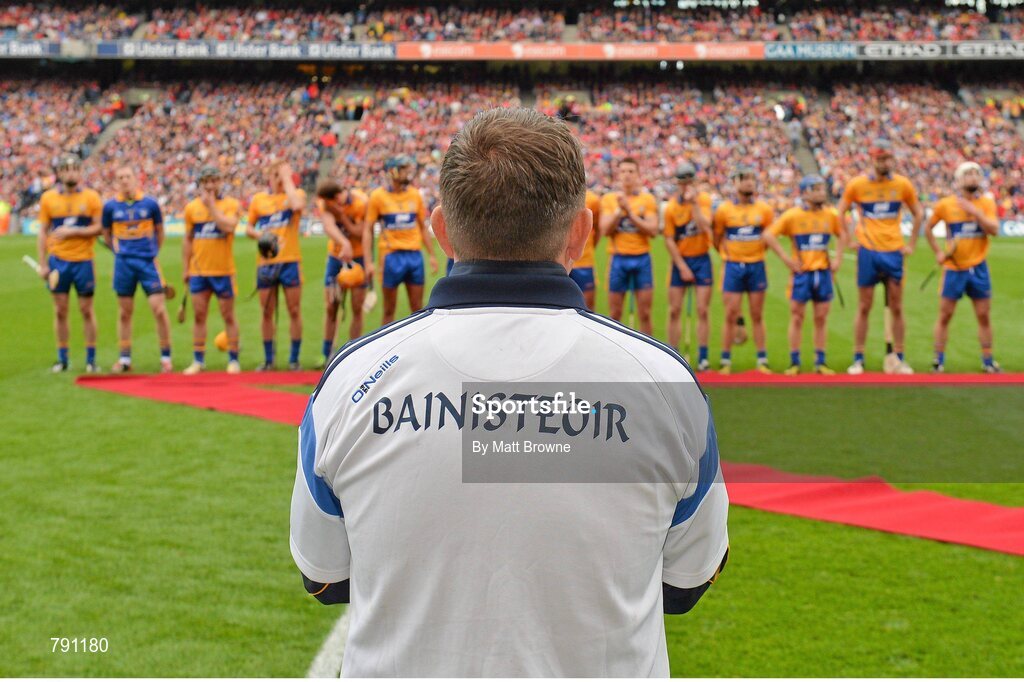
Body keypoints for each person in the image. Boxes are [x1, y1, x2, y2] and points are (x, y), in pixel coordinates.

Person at [289, 108, 728, 677]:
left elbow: (324, 576)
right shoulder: (663, 382)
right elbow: (687, 581)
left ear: (441, 229)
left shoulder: (353, 378)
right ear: (580, 233)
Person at [836, 139, 924, 375]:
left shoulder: (903, 185)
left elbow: (918, 213)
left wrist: (912, 244)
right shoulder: (857, 185)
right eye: (880, 159)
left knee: (896, 306)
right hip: (868, 251)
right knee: (864, 306)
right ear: (872, 159)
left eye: (888, 158)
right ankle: (858, 358)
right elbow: (840, 211)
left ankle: (899, 358)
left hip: (894, 251)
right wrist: (849, 240)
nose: (885, 163)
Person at [763, 174, 846, 375]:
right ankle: (795, 362)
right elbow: (768, 235)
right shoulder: (793, 216)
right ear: (805, 192)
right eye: (815, 189)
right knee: (797, 316)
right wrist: (786, 259)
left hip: (823, 273)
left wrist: (837, 259)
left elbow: (842, 234)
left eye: (821, 188)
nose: (821, 192)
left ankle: (820, 362)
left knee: (821, 317)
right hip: (802, 275)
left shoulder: (831, 215)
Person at [924, 162, 1001, 373]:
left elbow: (994, 229)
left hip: (978, 267)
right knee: (945, 315)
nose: (973, 177)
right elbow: (928, 229)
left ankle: (988, 361)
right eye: (968, 174)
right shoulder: (945, 205)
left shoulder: (986, 203)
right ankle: (938, 361)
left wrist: (975, 212)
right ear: (958, 181)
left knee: (983, 315)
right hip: (954, 268)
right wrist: (939, 253)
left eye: (976, 173)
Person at [36, 154, 103, 373]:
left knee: (86, 309)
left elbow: (99, 228)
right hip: (58, 262)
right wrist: (43, 263)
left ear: (80, 172)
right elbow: (42, 231)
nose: (71, 172)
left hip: (83, 261)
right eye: (66, 169)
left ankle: (91, 360)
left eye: (75, 168)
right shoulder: (48, 199)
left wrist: (73, 231)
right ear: (60, 173)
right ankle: (62, 359)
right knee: (60, 310)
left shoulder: (92, 197)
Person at [102, 166, 172, 373]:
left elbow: (160, 232)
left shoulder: (150, 204)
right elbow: (106, 234)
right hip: (123, 264)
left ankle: (166, 356)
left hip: (147, 263)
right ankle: (124, 359)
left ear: (136, 179)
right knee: (125, 312)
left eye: (128, 176)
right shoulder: (110, 207)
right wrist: (117, 251)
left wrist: (151, 252)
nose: (124, 181)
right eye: (120, 177)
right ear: (117, 182)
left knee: (158, 309)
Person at [712, 164, 775, 374]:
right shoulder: (724, 210)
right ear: (735, 183)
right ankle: (726, 361)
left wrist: (753, 254)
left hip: (756, 265)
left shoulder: (764, 210)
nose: (749, 182)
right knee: (730, 313)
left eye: (751, 179)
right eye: (744, 179)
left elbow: (767, 237)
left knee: (757, 314)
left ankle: (762, 360)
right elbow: (717, 239)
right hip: (733, 266)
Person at [362, 155, 439, 326]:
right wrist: (368, 261)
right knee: (389, 311)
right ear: (392, 172)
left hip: (414, 256)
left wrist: (432, 255)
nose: (407, 174)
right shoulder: (377, 197)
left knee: (418, 310)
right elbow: (367, 230)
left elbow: (422, 227)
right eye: (403, 170)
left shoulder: (415, 195)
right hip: (390, 257)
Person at [247, 160, 306, 370]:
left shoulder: (295, 195)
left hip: (289, 260)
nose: (281, 180)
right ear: (271, 176)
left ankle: (294, 359)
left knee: (294, 309)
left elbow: (297, 205)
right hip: (266, 263)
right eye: (278, 175)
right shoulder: (259, 200)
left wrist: (288, 179)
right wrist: (260, 235)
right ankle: (269, 359)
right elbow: (248, 228)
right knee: (266, 312)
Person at [182, 166, 241, 375]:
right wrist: (185, 267)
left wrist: (212, 207)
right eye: (205, 181)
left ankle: (233, 359)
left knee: (228, 315)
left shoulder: (231, 204)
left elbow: (229, 226)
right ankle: (198, 360)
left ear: (220, 181)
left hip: (223, 271)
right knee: (199, 315)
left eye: (213, 180)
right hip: (199, 271)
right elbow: (188, 240)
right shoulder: (191, 208)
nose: (209, 185)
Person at [599, 157, 659, 334]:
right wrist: (619, 211)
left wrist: (630, 213)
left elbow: (653, 230)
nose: (627, 175)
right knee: (615, 313)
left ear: (638, 175)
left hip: (642, 258)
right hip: (618, 259)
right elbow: (605, 230)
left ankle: (648, 355)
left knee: (645, 313)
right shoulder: (610, 199)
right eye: (623, 171)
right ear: (618, 174)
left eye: (631, 171)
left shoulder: (647, 199)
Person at [663, 161, 713, 369]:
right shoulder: (671, 207)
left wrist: (694, 205)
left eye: (689, 183)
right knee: (674, 309)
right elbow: (669, 239)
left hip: (701, 258)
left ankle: (703, 356)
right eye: (682, 183)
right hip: (680, 260)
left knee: (702, 309)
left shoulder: (704, 200)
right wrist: (682, 266)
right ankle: (672, 354)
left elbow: (705, 227)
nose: (686, 187)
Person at [316, 179, 368, 367]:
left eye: (330, 203)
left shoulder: (360, 202)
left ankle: (354, 354)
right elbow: (329, 226)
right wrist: (343, 243)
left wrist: (343, 216)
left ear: (337, 197)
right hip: (336, 258)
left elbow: (358, 231)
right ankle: (326, 354)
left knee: (356, 307)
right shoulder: (325, 203)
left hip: (359, 258)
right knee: (331, 306)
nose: (326, 206)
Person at [569, 187, 602, 309]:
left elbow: (597, 229)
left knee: (587, 309)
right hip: (558, 262)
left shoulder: (593, 199)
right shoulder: (555, 194)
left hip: (584, 262)